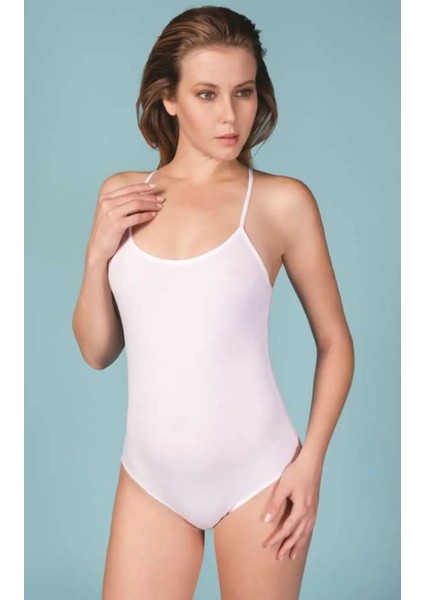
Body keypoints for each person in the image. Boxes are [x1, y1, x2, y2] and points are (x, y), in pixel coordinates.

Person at [72, 6, 354, 599]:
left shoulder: (282, 202)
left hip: (261, 477)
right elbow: (97, 352)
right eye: (207, 94)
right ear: (169, 99)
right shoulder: (123, 195)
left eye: (243, 92)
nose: (230, 115)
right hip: (149, 480)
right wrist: (98, 252)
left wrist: (310, 467)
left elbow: (335, 344)